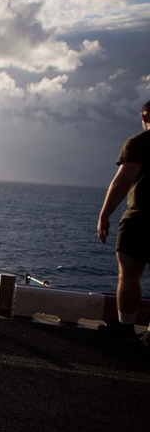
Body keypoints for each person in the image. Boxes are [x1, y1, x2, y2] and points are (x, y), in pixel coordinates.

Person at [97, 100, 150, 348]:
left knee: (129, 274)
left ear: (144, 116)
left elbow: (122, 181)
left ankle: (126, 328)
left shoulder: (139, 143)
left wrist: (104, 215)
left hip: (141, 219)